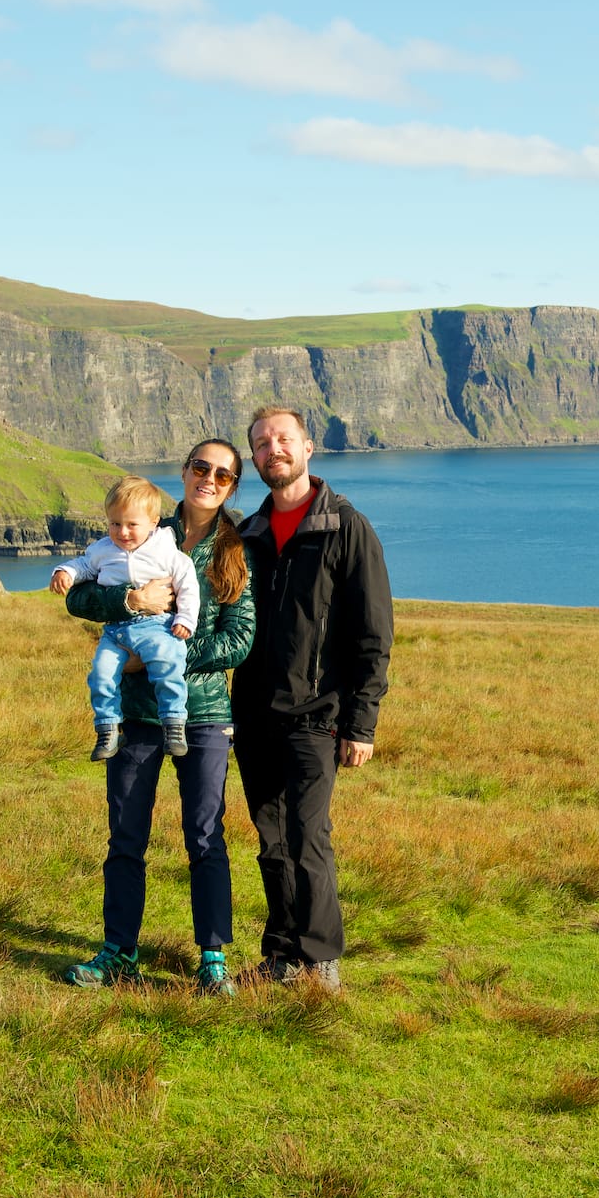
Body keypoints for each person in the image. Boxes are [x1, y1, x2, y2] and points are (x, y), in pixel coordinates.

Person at [58, 442, 257, 994]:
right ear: (185, 472)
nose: (208, 479)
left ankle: (213, 958)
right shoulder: (139, 523)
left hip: (206, 713)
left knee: (204, 834)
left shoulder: (235, 550)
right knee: (126, 835)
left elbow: (239, 638)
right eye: (200, 468)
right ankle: (118, 951)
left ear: (233, 485)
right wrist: (130, 601)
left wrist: (155, 659)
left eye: (222, 473)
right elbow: (79, 599)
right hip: (135, 716)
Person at [231, 406, 393, 992]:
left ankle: (321, 961)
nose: (272, 449)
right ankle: (279, 954)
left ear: (307, 448)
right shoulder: (245, 535)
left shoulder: (347, 528)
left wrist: (362, 723)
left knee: (307, 836)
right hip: (252, 716)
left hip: (317, 718)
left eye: (283, 439)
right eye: (261, 443)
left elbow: (374, 635)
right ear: (254, 459)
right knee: (270, 838)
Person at [50, 476, 200, 761]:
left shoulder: (166, 551)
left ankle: (174, 723)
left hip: (156, 626)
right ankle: (107, 727)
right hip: (116, 631)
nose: (123, 532)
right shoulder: (103, 549)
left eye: (132, 524)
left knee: (168, 666)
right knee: (101, 675)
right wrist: (64, 573)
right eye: (115, 523)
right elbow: (82, 566)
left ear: (153, 522)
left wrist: (186, 619)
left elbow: (187, 584)